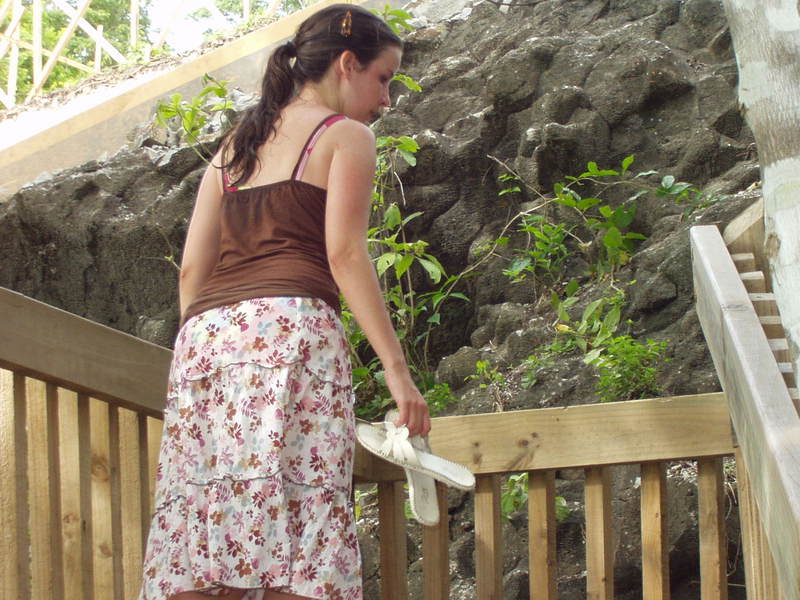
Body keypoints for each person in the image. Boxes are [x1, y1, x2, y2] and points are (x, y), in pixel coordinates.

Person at [139, 5, 431, 600]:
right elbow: (344, 254)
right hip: (290, 331)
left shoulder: (235, 146)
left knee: (206, 518)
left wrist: (205, 352)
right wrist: (398, 373)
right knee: (299, 529)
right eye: (383, 78)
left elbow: (192, 269)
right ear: (347, 64)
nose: (386, 100)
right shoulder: (345, 136)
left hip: (205, 342)